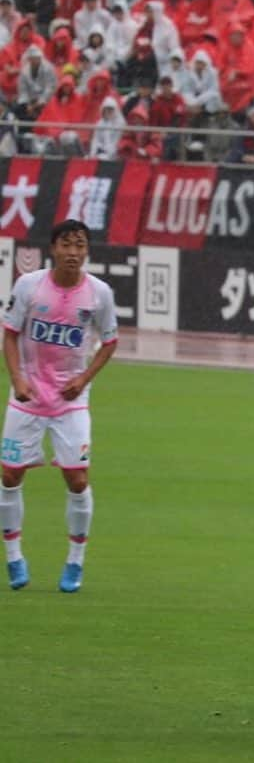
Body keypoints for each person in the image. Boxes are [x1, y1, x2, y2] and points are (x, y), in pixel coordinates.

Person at [1, 220, 118, 593]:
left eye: (80, 245)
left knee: (78, 479)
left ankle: (74, 562)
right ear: (53, 249)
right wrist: (18, 380)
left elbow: (110, 341)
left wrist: (83, 380)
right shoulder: (29, 286)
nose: (73, 252)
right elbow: (10, 334)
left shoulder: (99, 294)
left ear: (87, 251)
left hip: (71, 402)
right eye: (66, 245)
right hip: (28, 398)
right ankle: (14, 556)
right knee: (8, 476)